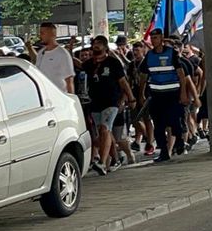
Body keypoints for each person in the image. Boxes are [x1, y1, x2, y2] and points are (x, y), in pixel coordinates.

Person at [139, 29, 197, 162]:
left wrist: (183, 93)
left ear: (162, 39)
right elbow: (143, 76)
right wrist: (141, 94)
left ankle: (180, 142)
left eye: (156, 38)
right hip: (156, 95)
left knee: (175, 122)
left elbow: (181, 75)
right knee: (159, 125)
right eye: (152, 38)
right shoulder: (149, 56)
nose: (154, 41)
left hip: (172, 94)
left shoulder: (172, 53)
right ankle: (164, 152)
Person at [82, 35, 134, 174]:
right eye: (94, 43)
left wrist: (130, 98)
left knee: (105, 128)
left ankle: (102, 162)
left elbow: (123, 82)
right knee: (104, 132)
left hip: (112, 101)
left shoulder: (113, 63)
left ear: (105, 46)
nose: (96, 46)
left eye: (99, 43)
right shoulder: (88, 65)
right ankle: (116, 158)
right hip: (95, 103)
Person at [30, 23, 75, 93]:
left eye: (42, 33)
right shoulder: (40, 53)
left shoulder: (62, 54)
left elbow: (69, 80)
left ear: (52, 34)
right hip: (44, 95)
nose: (40, 36)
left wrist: (71, 99)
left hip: (59, 96)